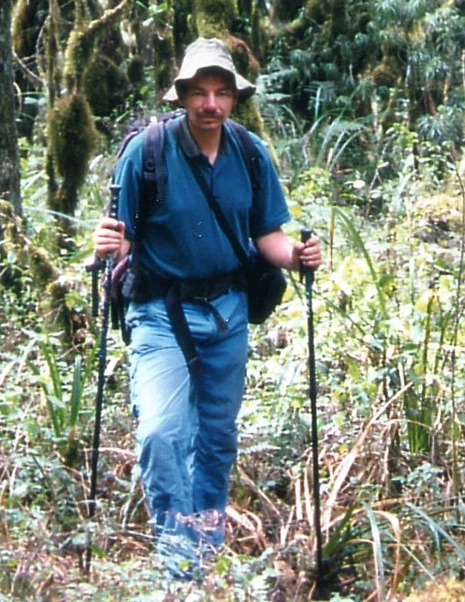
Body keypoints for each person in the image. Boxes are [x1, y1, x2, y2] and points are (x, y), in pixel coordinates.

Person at [91, 37, 324, 580]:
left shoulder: (249, 153)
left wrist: (299, 256)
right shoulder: (146, 152)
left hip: (228, 313)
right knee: (162, 432)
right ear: (182, 97)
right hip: (160, 312)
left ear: (236, 99)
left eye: (221, 93)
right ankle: (179, 566)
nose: (211, 104)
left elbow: (266, 235)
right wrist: (104, 245)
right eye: (200, 93)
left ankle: (206, 552)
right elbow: (120, 242)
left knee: (216, 439)